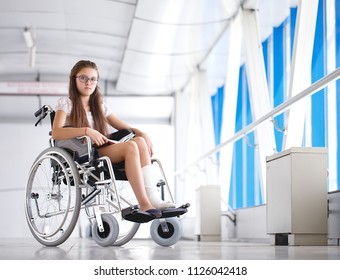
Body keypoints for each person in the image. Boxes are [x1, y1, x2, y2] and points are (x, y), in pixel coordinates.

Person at [52, 60, 175, 218]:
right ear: (74, 79)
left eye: (92, 79)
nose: (88, 82)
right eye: (83, 78)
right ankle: (144, 203)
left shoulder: (99, 106)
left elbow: (125, 128)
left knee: (139, 141)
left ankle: (154, 199)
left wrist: (142, 133)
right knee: (130, 147)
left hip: (103, 148)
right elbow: (56, 133)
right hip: (84, 153)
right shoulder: (66, 104)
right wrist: (86, 131)